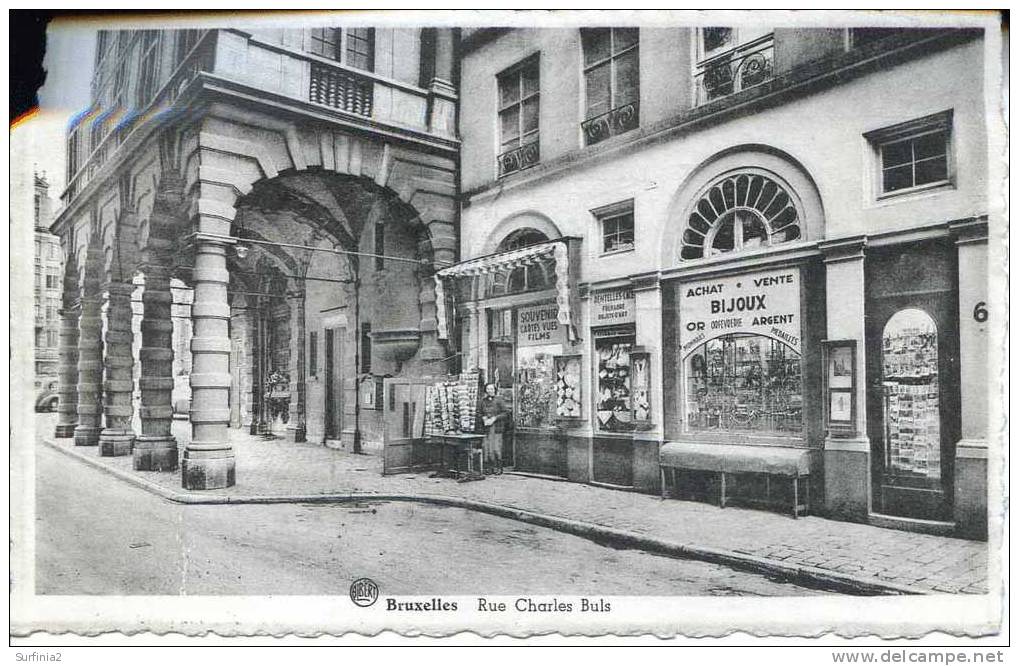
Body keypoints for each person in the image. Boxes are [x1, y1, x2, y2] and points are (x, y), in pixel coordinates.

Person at [480, 382, 508, 472]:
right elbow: (479, 412)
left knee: (496, 448)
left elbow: (505, 413)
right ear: (485, 390)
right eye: (488, 389)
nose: (490, 391)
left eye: (491, 389)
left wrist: (495, 418)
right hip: (486, 429)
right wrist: (484, 418)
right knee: (487, 448)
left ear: (494, 390)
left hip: (497, 428)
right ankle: (489, 467)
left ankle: (498, 467)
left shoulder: (499, 400)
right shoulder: (483, 401)